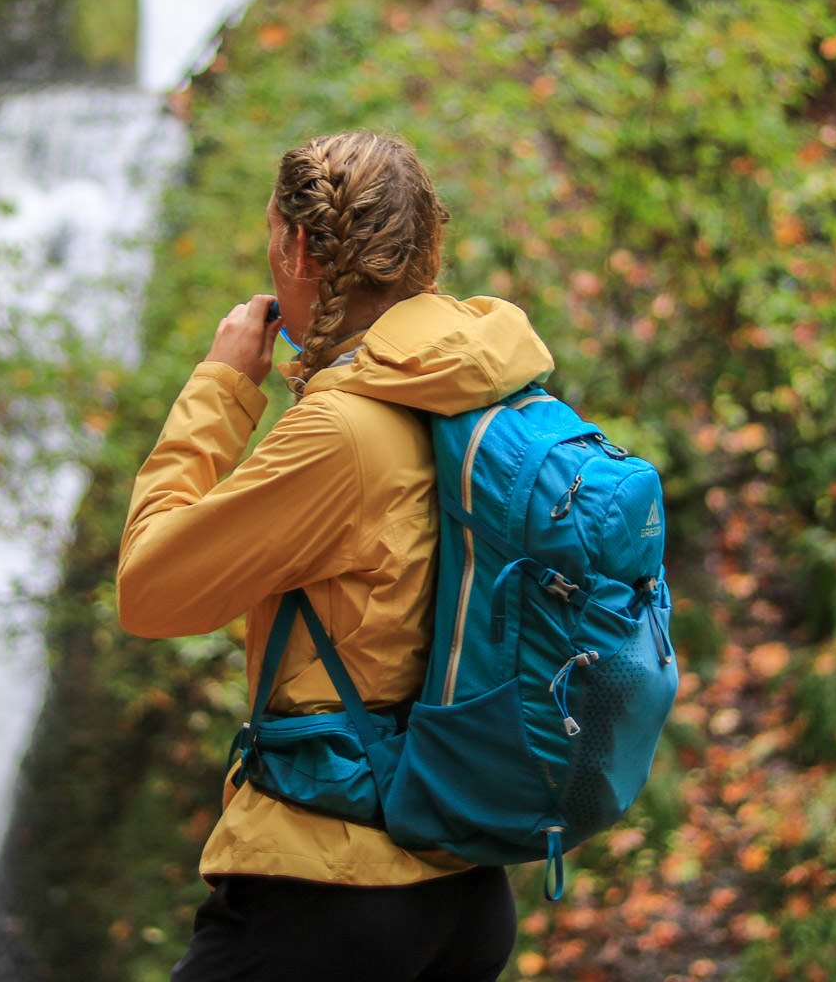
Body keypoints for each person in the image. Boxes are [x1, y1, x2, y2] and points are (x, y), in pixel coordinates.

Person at [115, 131, 556, 979]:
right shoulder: (486, 387)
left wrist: (220, 387)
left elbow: (148, 592)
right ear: (428, 245)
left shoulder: (341, 435)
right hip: (464, 883)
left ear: (299, 246)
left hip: (332, 888)